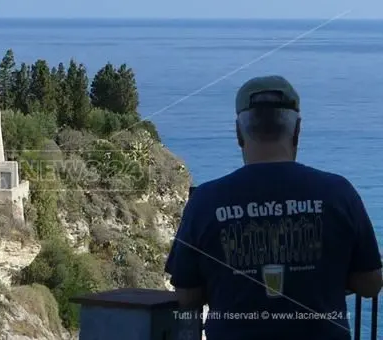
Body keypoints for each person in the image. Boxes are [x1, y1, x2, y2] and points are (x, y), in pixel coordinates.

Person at [164, 75, 382, 340]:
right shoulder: (338, 192)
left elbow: (187, 296)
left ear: (238, 133)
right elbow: (371, 284)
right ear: (297, 130)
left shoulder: (206, 200)